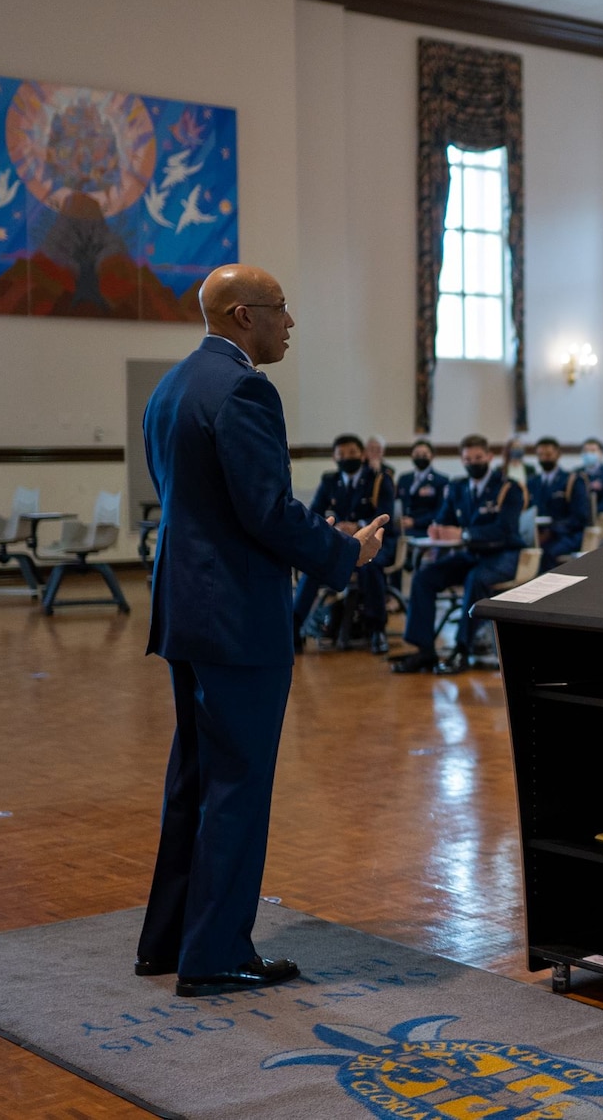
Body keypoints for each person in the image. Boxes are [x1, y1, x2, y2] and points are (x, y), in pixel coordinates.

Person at [138, 263, 387, 996]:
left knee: (193, 778)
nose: (290, 322)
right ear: (244, 315)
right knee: (237, 783)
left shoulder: (172, 384)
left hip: (185, 609)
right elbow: (266, 511)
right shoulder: (246, 387)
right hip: (237, 616)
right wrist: (348, 551)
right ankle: (215, 954)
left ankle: (168, 939)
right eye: (281, 309)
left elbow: (214, 506)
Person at [392, 435, 526, 675]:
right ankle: (424, 649)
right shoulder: (458, 487)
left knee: (476, 579)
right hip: (473, 554)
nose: (473, 463)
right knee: (425, 577)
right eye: (467, 459)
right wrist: (437, 529)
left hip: (504, 555)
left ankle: (462, 649)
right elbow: (445, 518)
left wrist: (464, 534)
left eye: (478, 458)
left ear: (489, 457)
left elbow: (505, 530)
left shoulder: (508, 488)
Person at [292, 433, 397, 653]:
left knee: (370, 564)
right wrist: (335, 526)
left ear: (362, 455)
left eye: (352, 453)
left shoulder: (379, 478)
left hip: (375, 541)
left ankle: (377, 629)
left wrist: (358, 525)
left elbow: (385, 515)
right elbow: (315, 514)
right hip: (340, 542)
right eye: (341, 454)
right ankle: (294, 626)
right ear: (334, 457)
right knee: (313, 564)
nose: (346, 458)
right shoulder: (330, 481)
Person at [525, 436, 592, 571]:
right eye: (540, 455)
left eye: (548, 454)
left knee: (546, 553)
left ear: (558, 454)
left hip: (566, 534)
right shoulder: (532, 482)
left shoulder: (571, 480)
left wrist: (552, 530)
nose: (544, 458)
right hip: (538, 534)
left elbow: (580, 516)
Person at [398, 438, 448, 538]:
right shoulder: (404, 478)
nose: (420, 457)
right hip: (402, 529)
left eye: (424, 454)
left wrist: (415, 522)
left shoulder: (441, 480)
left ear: (432, 456)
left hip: (425, 529)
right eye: (417, 454)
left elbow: (441, 510)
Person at [578, 437, 603, 517]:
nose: (589, 454)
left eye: (593, 451)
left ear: (600, 453)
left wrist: (588, 512)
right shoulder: (575, 474)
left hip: (598, 518)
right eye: (586, 451)